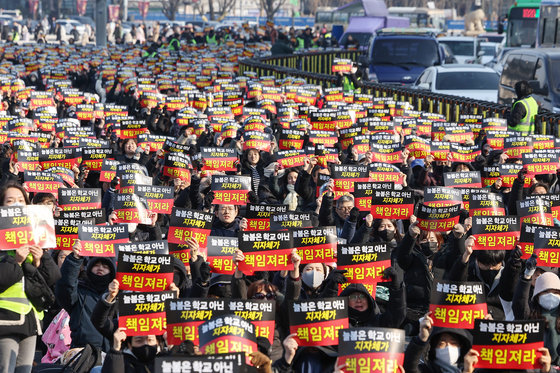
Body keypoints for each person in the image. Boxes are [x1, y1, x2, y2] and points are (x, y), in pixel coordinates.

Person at [0, 183, 60, 373]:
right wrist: (16, 261)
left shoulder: (36, 237)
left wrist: (39, 260)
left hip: (31, 319)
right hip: (5, 320)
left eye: (20, 201)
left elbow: (53, 277)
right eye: (10, 201)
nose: (16, 205)